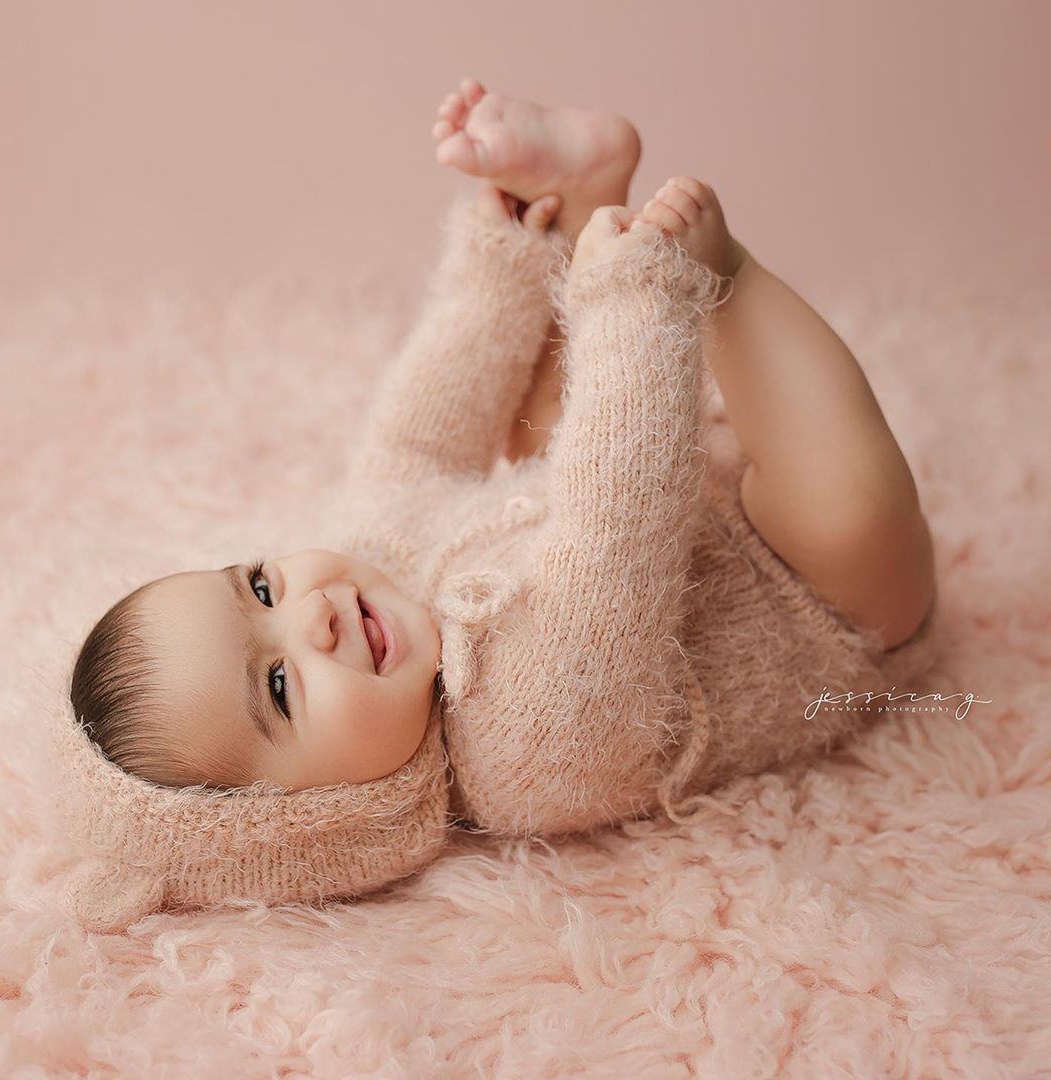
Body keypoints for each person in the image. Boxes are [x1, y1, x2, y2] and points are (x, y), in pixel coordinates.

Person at [53, 78, 939, 932]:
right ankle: (721, 268)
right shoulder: (526, 755)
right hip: (814, 602)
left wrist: (507, 265)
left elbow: (420, 432)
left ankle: (579, 198)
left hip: (672, 472)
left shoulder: (364, 565)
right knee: (847, 505)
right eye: (280, 687)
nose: (310, 616)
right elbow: (616, 529)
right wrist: (638, 301)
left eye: (257, 589)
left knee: (526, 416)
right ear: (321, 816)